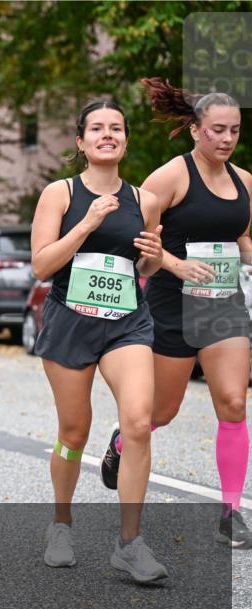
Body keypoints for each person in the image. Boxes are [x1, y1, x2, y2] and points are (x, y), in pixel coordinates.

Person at [102, 80, 252, 548]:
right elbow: (136, 239)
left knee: (234, 404)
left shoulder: (245, 182)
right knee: (161, 412)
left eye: (234, 130)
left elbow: (242, 238)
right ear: (194, 130)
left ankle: (231, 512)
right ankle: (122, 442)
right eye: (217, 130)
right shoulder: (169, 178)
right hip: (173, 304)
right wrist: (176, 263)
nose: (226, 139)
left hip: (224, 304)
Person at [31, 100, 167, 582]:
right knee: (74, 432)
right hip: (70, 320)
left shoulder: (145, 200)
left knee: (138, 423)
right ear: (81, 141)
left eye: (116, 128)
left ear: (125, 141)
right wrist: (87, 223)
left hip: (127, 322)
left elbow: (144, 266)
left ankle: (130, 543)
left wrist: (153, 257)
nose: (107, 134)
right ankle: (61, 523)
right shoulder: (60, 193)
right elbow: (41, 266)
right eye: (97, 128)